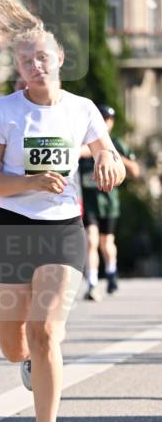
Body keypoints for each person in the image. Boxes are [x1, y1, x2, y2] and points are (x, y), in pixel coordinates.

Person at [0, 0, 124, 422]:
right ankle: (28, 364)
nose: (36, 67)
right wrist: (32, 181)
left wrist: (108, 165)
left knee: (45, 332)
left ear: (59, 56)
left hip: (62, 232)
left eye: (42, 57)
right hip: (11, 229)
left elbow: (109, 155)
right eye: (26, 62)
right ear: (19, 70)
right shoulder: (4, 111)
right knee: (13, 343)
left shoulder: (81, 109)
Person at [79, 103, 140, 300]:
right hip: (88, 202)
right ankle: (93, 282)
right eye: (101, 118)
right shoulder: (84, 141)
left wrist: (112, 156)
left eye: (108, 119)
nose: (105, 123)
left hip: (108, 202)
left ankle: (112, 273)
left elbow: (135, 171)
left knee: (106, 243)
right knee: (91, 240)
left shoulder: (115, 143)